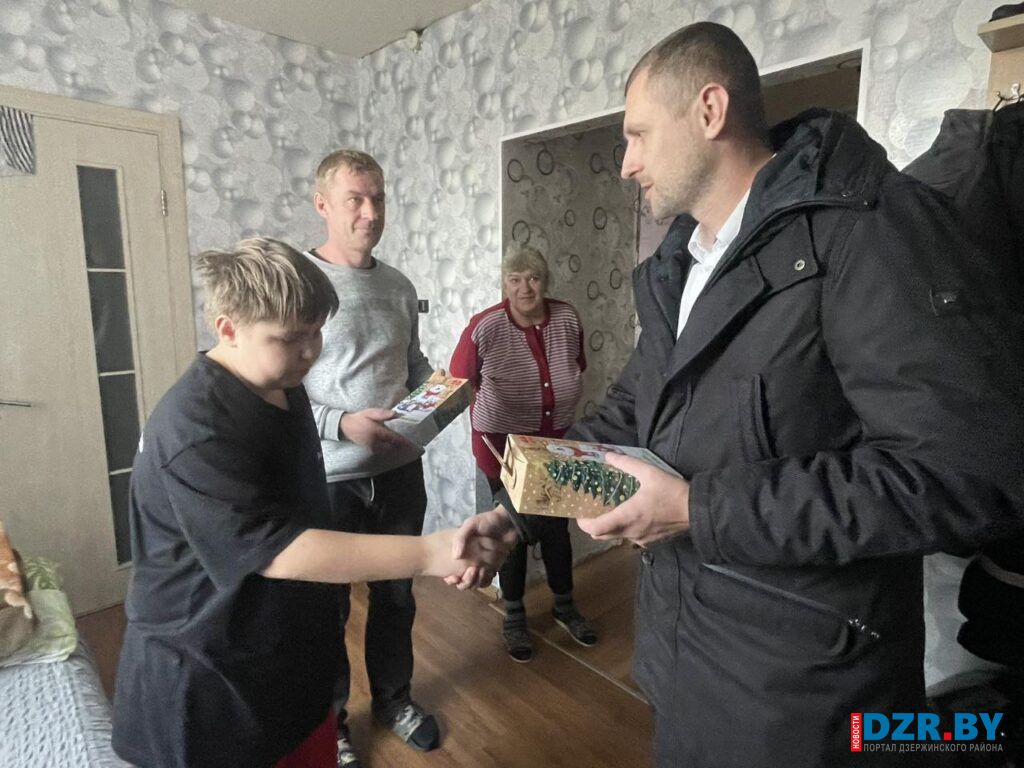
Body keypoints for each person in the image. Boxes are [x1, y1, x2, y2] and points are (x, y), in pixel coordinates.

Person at [491, 22, 1024, 767]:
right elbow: (630, 411)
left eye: (638, 135)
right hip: (687, 657)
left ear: (709, 111)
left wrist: (696, 509)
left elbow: (963, 476)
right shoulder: (681, 264)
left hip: (806, 693)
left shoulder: (870, 231)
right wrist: (516, 508)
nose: (626, 163)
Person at [111, 237, 514, 768]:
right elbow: (280, 550)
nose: (310, 352)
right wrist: (432, 552)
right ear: (228, 328)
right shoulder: (196, 429)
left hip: (281, 659)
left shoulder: (280, 384)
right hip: (206, 681)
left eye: (316, 332)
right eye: (290, 338)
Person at [303, 150, 443, 767]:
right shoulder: (298, 285)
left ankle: (393, 702)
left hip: (399, 475)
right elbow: (276, 387)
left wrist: (438, 394)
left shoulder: (399, 286)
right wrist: (341, 424)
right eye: (355, 199)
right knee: (326, 613)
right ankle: (331, 724)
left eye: (378, 198)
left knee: (397, 599)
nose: (370, 212)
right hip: (328, 481)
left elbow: (411, 366)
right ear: (323, 205)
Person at [450, 244, 598, 663]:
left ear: (545, 281)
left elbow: (578, 364)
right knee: (509, 530)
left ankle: (564, 605)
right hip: (503, 448)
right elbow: (458, 381)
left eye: (533, 278)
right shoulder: (485, 326)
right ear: (504, 284)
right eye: (514, 280)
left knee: (555, 528)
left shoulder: (566, 316)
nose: (524, 288)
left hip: (555, 443)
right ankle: (514, 615)